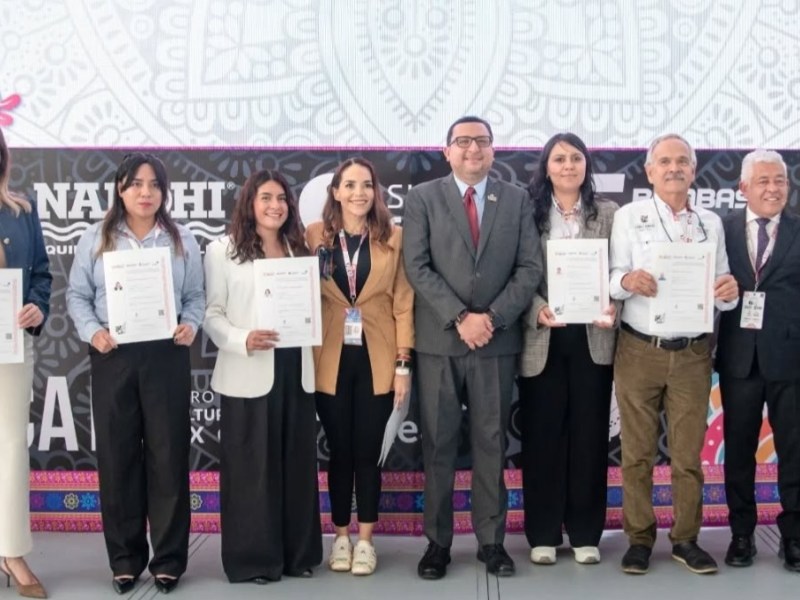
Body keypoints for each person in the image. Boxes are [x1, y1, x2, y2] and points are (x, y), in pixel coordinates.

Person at [403, 116, 541, 579]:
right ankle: (437, 543)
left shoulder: (517, 200)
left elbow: (528, 269)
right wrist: (461, 318)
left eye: (481, 142)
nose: (473, 150)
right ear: (447, 151)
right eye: (463, 142)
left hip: (495, 343)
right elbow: (417, 267)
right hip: (440, 342)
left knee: (490, 443)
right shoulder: (423, 198)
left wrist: (493, 318)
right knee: (438, 443)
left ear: (493, 150)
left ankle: (492, 542)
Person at [66, 153, 204, 595]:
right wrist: (93, 333)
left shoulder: (181, 239)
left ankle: (168, 560)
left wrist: (191, 324)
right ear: (120, 189)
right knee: (118, 457)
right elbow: (77, 296)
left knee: (168, 458)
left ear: (164, 192)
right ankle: (124, 560)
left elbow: (197, 296)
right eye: (135, 184)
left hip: (167, 355)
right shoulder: (95, 238)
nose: (145, 193)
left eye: (154, 185)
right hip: (114, 355)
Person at [609, 133, 739, 575]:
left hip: (693, 354)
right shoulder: (629, 217)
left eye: (682, 161)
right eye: (664, 161)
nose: (674, 168)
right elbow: (610, 277)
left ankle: (686, 539)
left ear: (694, 169)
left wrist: (728, 291)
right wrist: (626, 282)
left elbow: (722, 288)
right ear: (648, 171)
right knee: (637, 453)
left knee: (687, 455)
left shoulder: (711, 222)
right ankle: (639, 539)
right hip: (639, 347)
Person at [204, 169, 322, 584]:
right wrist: (242, 338)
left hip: (295, 368)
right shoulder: (223, 250)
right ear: (249, 203)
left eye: (282, 199)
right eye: (266, 198)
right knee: (252, 471)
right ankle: (254, 560)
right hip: (249, 369)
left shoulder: (298, 247)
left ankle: (297, 555)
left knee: (296, 464)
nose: (275, 206)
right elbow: (211, 315)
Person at [306, 158, 414, 576]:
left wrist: (404, 364)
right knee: (340, 452)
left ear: (376, 191)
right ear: (335, 191)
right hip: (328, 358)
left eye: (366, 185)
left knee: (368, 453)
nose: (358, 193)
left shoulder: (394, 237)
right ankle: (340, 537)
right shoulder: (314, 236)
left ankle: (366, 540)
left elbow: (404, 303)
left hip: (379, 357)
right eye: (349, 185)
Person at [518, 133, 618, 566]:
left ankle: (584, 533)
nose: (568, 165)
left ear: (586, 166)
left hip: (594, 338)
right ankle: (542, 533)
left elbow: (619, 270)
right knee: (542, 438)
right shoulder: (527, 213)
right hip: (544, 336)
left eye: (576, 158)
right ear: (546, 166)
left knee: (589, 438)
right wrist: (537, 309)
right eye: (559, 158)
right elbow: (516, 273)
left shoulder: (610, 214)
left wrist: (614, 301)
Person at [716, 149, 800, 572]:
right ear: (744, 188)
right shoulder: (721, 230)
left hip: (792, 359)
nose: (773, 188)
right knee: (740, 452)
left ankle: (795, 536)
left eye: (780, 181)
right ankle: (742, 534)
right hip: (738, 358)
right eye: (764, 181)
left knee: (795, 450)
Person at [0, 128, 51, 599]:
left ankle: (11, 550)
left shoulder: (22, 210)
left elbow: (41, 274)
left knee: (12, 446)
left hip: (11, 345)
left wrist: (37, 306)